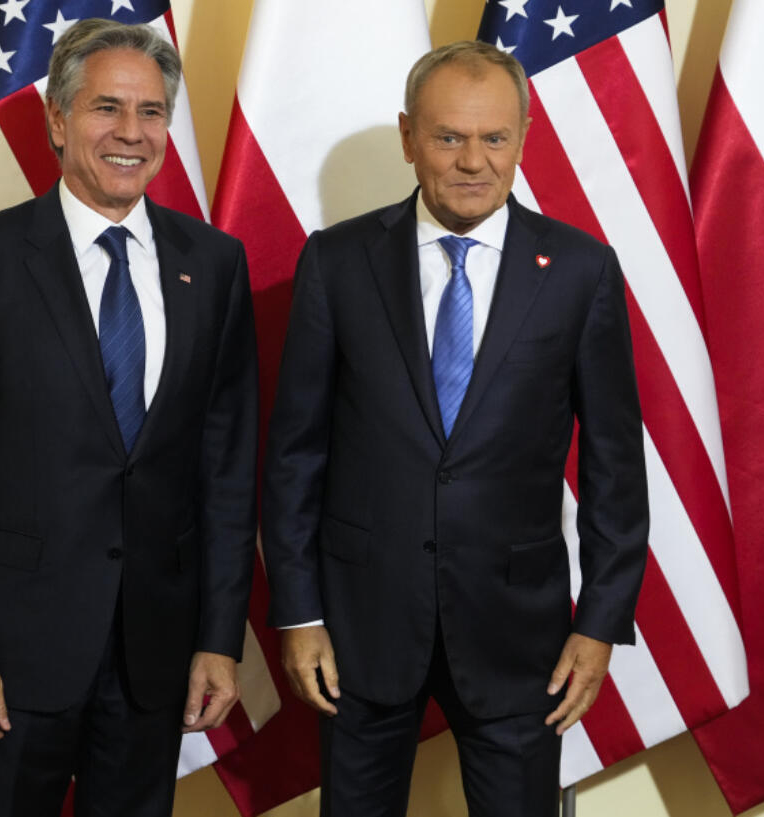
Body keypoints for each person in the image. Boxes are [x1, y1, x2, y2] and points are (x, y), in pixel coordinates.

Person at [262, 40, 649, 816]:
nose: (474, 161)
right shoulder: (336, 263)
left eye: (494, 137)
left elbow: (615, 467)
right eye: (448, 137)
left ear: (522, 137)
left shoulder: (580, 270)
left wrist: (601, 623)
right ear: (409, 138)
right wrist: (299, 612)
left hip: (520, 642)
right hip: (359, 631)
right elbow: (295, 454)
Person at [0, 19, 257, 817]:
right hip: (8, 660)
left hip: (153, 658)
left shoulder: (214, 263)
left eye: (152, 112)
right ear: (58, 122)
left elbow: (227, 474)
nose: (131, 133)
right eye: (107, 109)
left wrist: (217, 638)